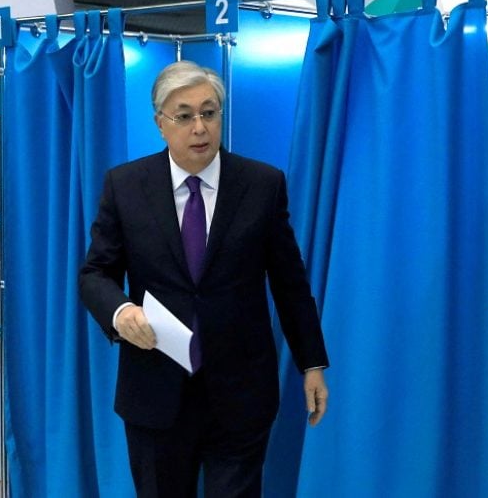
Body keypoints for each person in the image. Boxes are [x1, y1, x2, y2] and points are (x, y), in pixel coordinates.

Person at [78, 60, 329, 498]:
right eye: (185, 115)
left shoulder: (262, 184)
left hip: (241, 392)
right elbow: (95, 273)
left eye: (209, 113)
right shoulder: (126, 185)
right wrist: (120, 311)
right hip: (155, 390)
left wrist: (312, 363)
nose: (199, 127)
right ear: (160, 124)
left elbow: (290, 283)